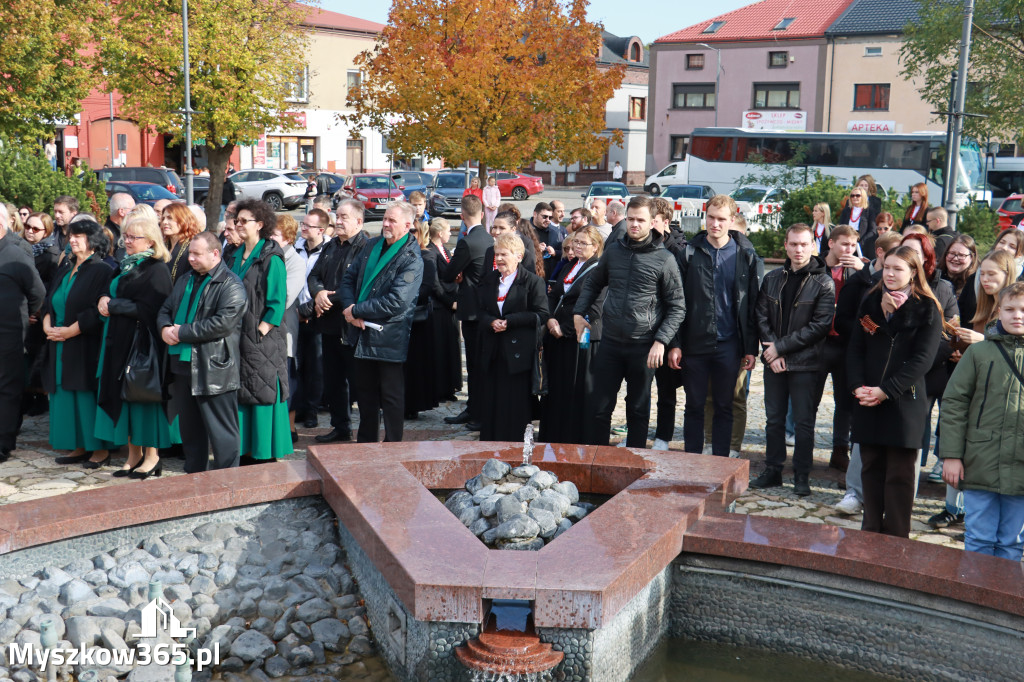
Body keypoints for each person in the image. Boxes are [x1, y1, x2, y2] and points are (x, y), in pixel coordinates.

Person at [574, 196, 686, 447]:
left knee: (637, 410)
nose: (634, 224)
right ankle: (597, 461)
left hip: (643, 345)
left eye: (641, 220)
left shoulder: (664, 259)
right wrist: (579, 313)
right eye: (631, 219)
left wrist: (661, 341)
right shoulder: (613, 251)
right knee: (599, 408)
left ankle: (634, 463)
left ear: (652, 222)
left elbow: (678, 306)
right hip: (611, 342)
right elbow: (593, 282)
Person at [847, 245, 942, 537]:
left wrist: (886, 391)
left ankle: (897, 540)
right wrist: (858, 387)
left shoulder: (927, 307)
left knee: (900, 477)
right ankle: (870, 531)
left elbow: (922, 360)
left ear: (913, 272)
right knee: (871, 470)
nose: (889, 273)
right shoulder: (871, 302)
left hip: (904, 401)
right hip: (868, 399)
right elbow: (855, 349)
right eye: (887, 267)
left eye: (898, 268)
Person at [669, 194, 760, 457]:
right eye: (711, 217)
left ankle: (720, 465)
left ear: (732, 220)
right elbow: (676, 301)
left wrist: (750, 347)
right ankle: (692, 462)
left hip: (730, 344)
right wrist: (675, 344)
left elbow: (751, 304)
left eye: (721, 219)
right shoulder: (688, 252)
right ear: (704, 217)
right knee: (694, 406)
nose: (715, 224)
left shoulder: (746, 255)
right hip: (694, 343)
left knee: (724, 405)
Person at [939, 282, 1024, 561]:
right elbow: (954, 404)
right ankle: (973, 598)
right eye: (1010, 309)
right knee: (978, 538)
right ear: (998, 312)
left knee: (1012, 542)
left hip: (1021, 468)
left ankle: (1001, 601)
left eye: (1023, 310)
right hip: (980, 460)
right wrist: (951, 455)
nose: (1017, 315)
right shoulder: (978, 353)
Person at [751, 224, 835, 495]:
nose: (799, 250)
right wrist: (770, 353)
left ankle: (801, 475)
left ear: (813, 246)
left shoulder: (824, 281)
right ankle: (773, 470)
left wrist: (780, 348)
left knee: (803, 422)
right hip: (774, 361)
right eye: (793, 244)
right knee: (774, 420)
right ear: (785, 246)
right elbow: (761, 316)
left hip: (806, 362)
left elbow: (819, 326)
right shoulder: (773, 277)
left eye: (804, 244)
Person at [158, 232, 246, 472]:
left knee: (222, 430)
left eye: (197, 254)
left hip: (214, 366)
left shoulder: (231, 283)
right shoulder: (185, 279)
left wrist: (181, 332)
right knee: (190, 428)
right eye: (190, 253)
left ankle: (228, 477)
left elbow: (223, 323)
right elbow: (166, 308)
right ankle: (195, 472)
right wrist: (165, 328)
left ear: (215, 254)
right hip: (183, 364)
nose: (192, 258)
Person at [94, 211, 173, 477]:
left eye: (133, 237)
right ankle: (133, 454)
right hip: (119, 340)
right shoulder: (125, 264)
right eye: (125, 236)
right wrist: (104, 297)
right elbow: (111, 287)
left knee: (143, 398)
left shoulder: (157, 269)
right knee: (123, 398)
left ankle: (152, 456)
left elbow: (152, 309)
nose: (126, 241)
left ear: (150, 241)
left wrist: (113, 305)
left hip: (142, 346)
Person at [832, 230, 904, 516]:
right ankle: (856, 491)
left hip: (902, 378)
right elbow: (856, 321)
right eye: (890, 264)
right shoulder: (867, 287)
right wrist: (878, 331)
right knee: (861, 431)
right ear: (881, 256)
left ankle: (890, 498)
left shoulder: (922, 298)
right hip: (869, 369)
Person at [339, 201, 424, 443]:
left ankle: (394, 445)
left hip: (388, 336)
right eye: (385, 218)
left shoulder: (411, 259)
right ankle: (366, 443)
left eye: (392, 221)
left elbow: (396, 302)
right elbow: (349, 279)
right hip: (361, 331)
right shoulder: (372, 245)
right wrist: (349, 309)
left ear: (407, 225)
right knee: (365, 395)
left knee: (391, 397)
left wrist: (357, 310)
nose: (385, 224)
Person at [40, 219, 114, 466]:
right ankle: (78, 445)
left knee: (84, 397)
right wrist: (47, 324)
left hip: (82, 343)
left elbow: (98, 309)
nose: (72, 240)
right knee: (63, 394)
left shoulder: (101, 270)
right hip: (58, 341)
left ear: (92, 241)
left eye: (79, 236)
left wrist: (72, 330)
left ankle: (99, 450)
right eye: (71, 236)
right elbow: (50, 299)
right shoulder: (66, 266)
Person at [229, 199, 293, 463]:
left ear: (260, 225)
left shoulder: (271, 256)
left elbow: (278, 301)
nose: (239, 225)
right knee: (242, 390)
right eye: (237, 221)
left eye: (244, 221)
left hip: (261, 337)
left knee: (263, 389)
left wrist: (261, 329)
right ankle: (245, 449)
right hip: (234, 334)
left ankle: (264, 452)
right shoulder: (233, 254)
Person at [477, 232, 549, 441]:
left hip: (518, 354)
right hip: (493, 349)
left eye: (504, 254)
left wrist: (511, 321)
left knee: (515, 403)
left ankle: (516, 445)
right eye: (497, 254)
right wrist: (490, 321)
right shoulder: (489, 280)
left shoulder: (532, 282)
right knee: (492, 399)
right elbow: (478, 311)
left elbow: (542, 314)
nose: (499, 259)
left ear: (518, 256)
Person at [307, 199, 369, 443]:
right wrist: (318, 292)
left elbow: (357, 285)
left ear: (358, 221)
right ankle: (340, 426)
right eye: (337, 216)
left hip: (353, 326)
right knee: (333, 381)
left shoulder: (366, 247)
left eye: (344, 217)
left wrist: (326, 297)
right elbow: (314, 276)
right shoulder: (331, 245)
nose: (338, 221)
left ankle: (366, 430)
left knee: (359, 382)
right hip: (329, 326)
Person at [541, 226, 604, 444]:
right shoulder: (569, 266)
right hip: (557, 335)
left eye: (582, 243)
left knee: (578, 389)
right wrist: (550, 319)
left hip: (582, 338)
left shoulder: (599, 270)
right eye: (575, 242)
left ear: (595, 247)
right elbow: (554, 295)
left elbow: (595, 308)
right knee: (559, 389)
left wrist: (565, 329)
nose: (576, 246)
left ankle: (576, 437)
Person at [812, 225, 864, 472]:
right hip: (818, 342)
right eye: (844, 244)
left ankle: (839, 450)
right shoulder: (815, 266)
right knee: (809, 399)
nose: (849, 250)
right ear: (831, 243)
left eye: (853, 245)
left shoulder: (857, 272)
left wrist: (863, 273)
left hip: (845, 343)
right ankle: (803, 449)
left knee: (845, 402)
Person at [442, 195, 492, 430]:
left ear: (462, 216)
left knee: (475, 365)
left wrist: (457, 274)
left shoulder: (467, 241)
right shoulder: (488, 238)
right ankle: (474, 409)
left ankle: (478, 412)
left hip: (472, 309)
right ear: (482, 213)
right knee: (477, 364)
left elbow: (449, 273)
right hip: (484, 307)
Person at [0, 205, 45, 461]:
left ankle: (4, 441)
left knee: (7, 387)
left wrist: (30, 316)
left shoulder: (16, 255)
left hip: (9, 333)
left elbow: (37, 293)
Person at [269, 215, 306, 443]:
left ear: (288, 238)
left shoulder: (294, 261)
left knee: (287, 381)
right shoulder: (269, 256)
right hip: (268, 333)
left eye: (274, 235)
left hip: (284, 331)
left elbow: (285, 296)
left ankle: (288, 430)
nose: (269, 239)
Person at [293, 209, 328, 429]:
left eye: (308, 225)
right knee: (297, 365)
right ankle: (299, 407)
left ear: (321, 230)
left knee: (316, 367)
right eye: (302, 224)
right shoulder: (297, 248)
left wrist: (309, 310)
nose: (303, 228)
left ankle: (312, 410)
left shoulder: (329, 250)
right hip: (295, 314)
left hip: (318, 316)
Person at [404, 217, 442, 418]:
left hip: (418, 319)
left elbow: (426, 289)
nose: (410, 235)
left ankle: (412, 405)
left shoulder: (426, 257)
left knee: (416, 363)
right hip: (399, 319)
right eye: (407, 230)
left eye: (414, 231)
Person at [422, 217, 462, 403]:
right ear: (439, 233)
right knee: (439, 348)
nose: (450, 234)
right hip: (439, 307)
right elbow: (434, 283)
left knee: (450, 347)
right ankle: (439, 387)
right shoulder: (430, 252)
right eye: (447, 231)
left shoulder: (444, 250)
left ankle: (449, 386)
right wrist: (449, 302)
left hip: (449, 307)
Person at [958, 250, 1017, 346]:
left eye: (991, 274)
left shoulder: (1017, 309)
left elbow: (1016, 349)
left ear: (1007, 274)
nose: (985, 279)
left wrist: (984, 340)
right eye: (982, 274)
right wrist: (957, 332)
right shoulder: (984, 307)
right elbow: (969, 349)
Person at [161, 202, 202, 285]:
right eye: (163, 218)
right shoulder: (164, 245)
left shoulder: (192, 246)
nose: (165, 222)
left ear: (182, 220)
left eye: (170, 218)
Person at [838, 187, 879, 255]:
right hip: (847, 243)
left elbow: (872, 230)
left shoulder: (869, 211)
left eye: (857, 195)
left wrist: (861, 242)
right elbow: (841, 227)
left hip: (862, 245)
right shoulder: (846, 210)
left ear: (863, 197)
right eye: (852, 195)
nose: (855, 197)